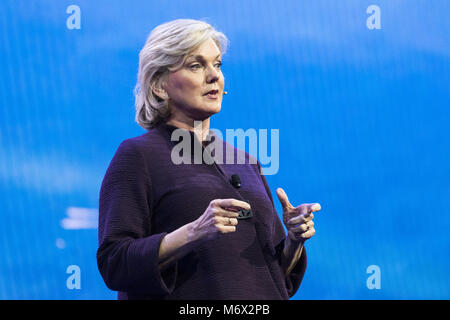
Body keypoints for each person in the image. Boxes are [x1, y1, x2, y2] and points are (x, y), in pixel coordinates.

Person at [96, 18, 322, 300]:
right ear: (159, 86)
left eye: (217, 64)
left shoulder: (245, 162)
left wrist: (293, 241)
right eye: (196, 65)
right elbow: (114, 262)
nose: (214, 75)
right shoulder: (137, 156)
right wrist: (193, 232)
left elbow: (275, 279)